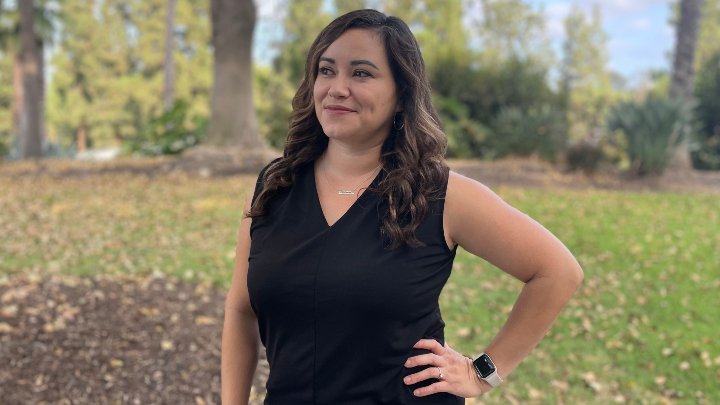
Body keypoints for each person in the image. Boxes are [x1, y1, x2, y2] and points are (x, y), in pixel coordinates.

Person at [221, 9, 584, 405]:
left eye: (361, 73)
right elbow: (241, 311)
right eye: (327, 70)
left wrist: (483, 373)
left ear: (401, 96)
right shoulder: (273, 188)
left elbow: (557, 271)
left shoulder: (441, 195)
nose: (337, 87)